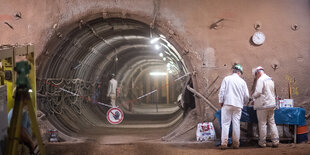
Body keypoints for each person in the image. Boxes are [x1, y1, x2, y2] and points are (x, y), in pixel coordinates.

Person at [218, 64, 249, 149]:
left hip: (227, 104)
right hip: (238, 105)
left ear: (233, 71)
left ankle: (224, 143)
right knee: (236, 124)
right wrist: (244, 103)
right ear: (239, 72)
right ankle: (236, 144)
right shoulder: (242, 82)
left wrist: (221, 101)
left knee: (225, 124)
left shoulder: (226, 79)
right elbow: (246, 96)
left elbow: (222, 91)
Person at [252, 66, 279, 148]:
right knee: (272, 122)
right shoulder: (270, 79)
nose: (256, 77)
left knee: (262, 123)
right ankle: (275, 141)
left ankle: (262, 142)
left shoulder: (260, 80)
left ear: (258, 73)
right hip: (271, 104)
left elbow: (258, 92)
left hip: (263, 105)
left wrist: (253, 97)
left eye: (256, 75)